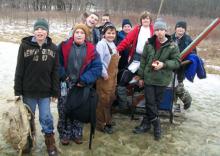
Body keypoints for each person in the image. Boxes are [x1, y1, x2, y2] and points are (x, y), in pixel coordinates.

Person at [14, 18, 59, 156]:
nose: (40, 31)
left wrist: (55, 91)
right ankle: (28, 142)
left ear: (47, 32)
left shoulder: (53, 48)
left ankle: (50, 144)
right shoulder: (24, 46)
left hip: (45, 92)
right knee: (28, 119)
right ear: (34, 31)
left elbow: (55, 71)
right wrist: (17, 90)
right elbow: (19, 69)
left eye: (43, 29)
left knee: (46, 117)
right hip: (29, 91)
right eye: (37, 29)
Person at [132, 19, 180, 140]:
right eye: (157, 30)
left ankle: (146, 124)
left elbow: (177, 62)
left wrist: (163, 64)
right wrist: (141, 76)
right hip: (148, 78)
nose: (159, 32)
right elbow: (143, 60)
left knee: (156, 104)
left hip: (162, 79)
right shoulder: (149, 43)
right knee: (150, 102)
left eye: (162, 30)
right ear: (155, 31)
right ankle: (157, 125)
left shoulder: (172, 46)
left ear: (165, 31)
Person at [57, 23, 102, 145]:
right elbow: (56, 63)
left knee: (79, 109)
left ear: (86, 35)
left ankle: (77, 133)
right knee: (64, 108)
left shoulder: (92, 50)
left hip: (81, 85)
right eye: (77, 32)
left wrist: (85, 79)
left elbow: (97, 68)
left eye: (82, 33)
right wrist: (62, 74)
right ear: (73, 34)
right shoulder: (63, 46)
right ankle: (65, 133)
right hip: (65, 84)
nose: (79, 34)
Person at [116, 11, 154, 110]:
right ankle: (123, 105)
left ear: (150, 20)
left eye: (148, 18)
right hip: (136, 58)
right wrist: (116, 50)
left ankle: (146, 105)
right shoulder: (137, 29)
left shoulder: (154, 31)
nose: (146, 20)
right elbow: (126, 41)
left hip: (149, 59)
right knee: (124, 78)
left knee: (147, 81)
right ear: (141, 20)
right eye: (144, 18)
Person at [96, 22, 120, 134]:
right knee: (102, 100)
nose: (111, 35)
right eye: (108, 33)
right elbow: (98, 61)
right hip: (104, 78)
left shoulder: (113, 44)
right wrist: (104, 73)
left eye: (113, 33)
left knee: (110, 99)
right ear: (103, 34)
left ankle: (107, 120)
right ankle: (101, 124)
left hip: (112, 77)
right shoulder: (101, 44)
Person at [171, 21, 195, 110]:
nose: (180, 29)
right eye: (179, 27)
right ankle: (172, 105)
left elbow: (193, 54)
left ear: (185, 30)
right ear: (175, 28)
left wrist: (184, 63)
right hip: (170, 66)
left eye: (183, 28)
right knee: (170, 87)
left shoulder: (188, 40)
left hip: (181, 67)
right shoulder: (170, 38)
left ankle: (187, 100)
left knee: (178, 88)